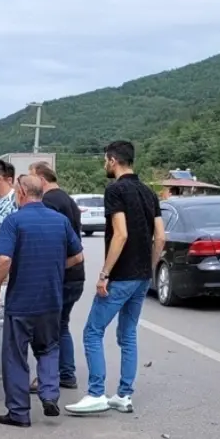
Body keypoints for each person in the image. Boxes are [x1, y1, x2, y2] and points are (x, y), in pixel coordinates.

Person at [66, 140, 165, 416]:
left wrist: (104, 273)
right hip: (142, 276)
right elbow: (161, 237)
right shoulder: (149, 192)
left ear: (112, 160)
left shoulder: (115, 190)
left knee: (92, 332)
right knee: (128, 334)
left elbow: (120, 234)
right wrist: (149, 268)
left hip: (120, 277)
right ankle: (124, 395)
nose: (104, 165)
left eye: (104, 160)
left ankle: (96, 393)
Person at [0, 174, 85, 427]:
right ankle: (50, 394)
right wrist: (53, 268)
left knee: (16, 355)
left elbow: (4, 260)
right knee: (49, 348)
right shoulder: (60, 221)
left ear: (20, 192)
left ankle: (19, 413)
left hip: (21, 302)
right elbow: (78, 257)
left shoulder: (14, 221)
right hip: (52, 299)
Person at [30, 160, 84, 391]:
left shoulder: (49, 202)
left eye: (31, 179)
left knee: (50, 327)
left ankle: (50, 375)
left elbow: (49, 240)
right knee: (61, 325)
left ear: (41, 179)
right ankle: (66, 373)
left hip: (59, 274)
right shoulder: (67, 199)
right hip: (74, 274)